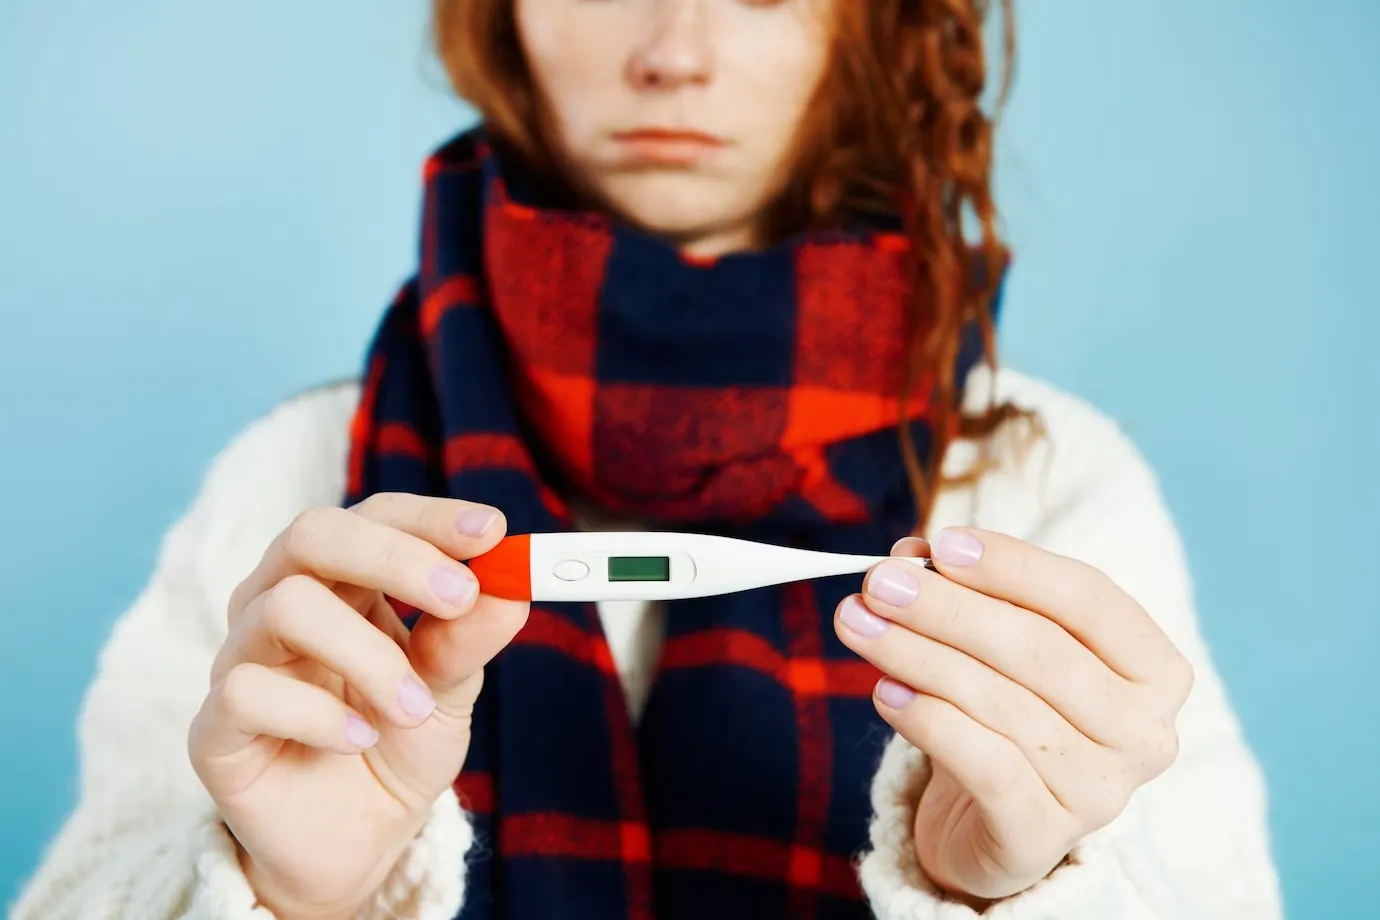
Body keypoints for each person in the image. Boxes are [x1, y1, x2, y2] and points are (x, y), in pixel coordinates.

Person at [13, 1, 1284, 918]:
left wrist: (1006, 887)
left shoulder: (1049, 484)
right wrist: (289, 893)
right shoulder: (296, 478)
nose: (673, 50)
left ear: (876, 25)